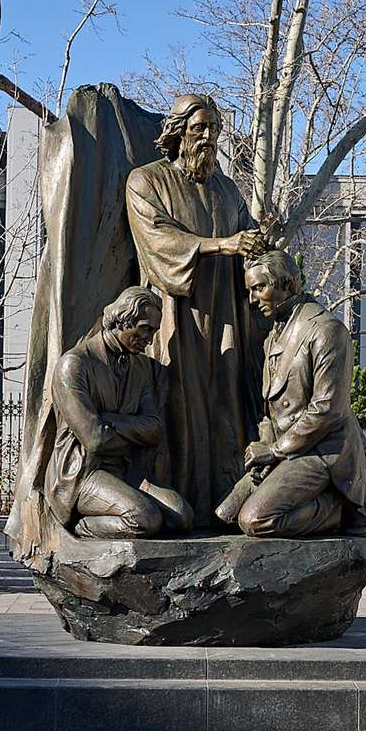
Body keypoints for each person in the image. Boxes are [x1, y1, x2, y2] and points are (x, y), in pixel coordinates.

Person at [125, 93, 266, 524]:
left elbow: (247, 234)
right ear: (178, 131)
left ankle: (223, 510)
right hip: (176, 312)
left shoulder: (225, 189)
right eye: (200, 127)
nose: (209, 137)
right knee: (180, 406)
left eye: (215, 129)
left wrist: (261, 241)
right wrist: (221, 245)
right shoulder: (146, 181)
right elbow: (158, 241)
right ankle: (179, 509)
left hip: (225, 314)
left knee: (226, 404)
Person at [215, 251, 366, 541]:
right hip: (288, 450)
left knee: (255, 520)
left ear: (288, 285)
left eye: (259, 288)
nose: (253, 299)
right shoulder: (274, 335)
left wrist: (276, 451)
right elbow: (274, 408)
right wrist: (267, 452)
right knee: (224, 515)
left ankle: (342, 509)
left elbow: (327, 409)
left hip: (322, 451)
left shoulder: (327, 331)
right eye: (250, 291)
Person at [46, 286, 194, 538]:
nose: (149, 339)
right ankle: (78, 527)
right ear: (121, 320)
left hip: (126, 471)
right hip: (83, 474)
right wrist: (132, 431)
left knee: (182, 516)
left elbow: (155, 429)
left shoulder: (140, 368)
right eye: (144, 328)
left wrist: (110, 421)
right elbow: (95, 440)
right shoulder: (75, 364)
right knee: (144, 518)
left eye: (154, 331)